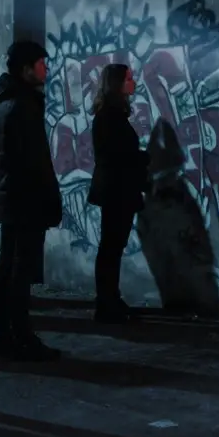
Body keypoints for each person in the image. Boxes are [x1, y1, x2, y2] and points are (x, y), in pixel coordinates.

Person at [0, 39, 63, 361]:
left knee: (7, 269)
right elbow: (36, 162)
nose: (47, 70)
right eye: (42, 64)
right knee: (20, 273)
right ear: (26, 68)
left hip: (8, 198)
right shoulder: (24, 106)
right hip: (26, 200)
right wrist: (51, 200)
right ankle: (22, 337)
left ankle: (6, 336)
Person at [87, 63, 149, 324]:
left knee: (112, 247)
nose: (133, 82)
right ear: (117, 84)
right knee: (111, 247)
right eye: (128, 78)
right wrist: (143, 158)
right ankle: (107, 303)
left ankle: (110, 299)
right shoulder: (110, 117)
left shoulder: (111, 114)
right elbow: (116, 155)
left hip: (116, 188)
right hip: (117, 189)